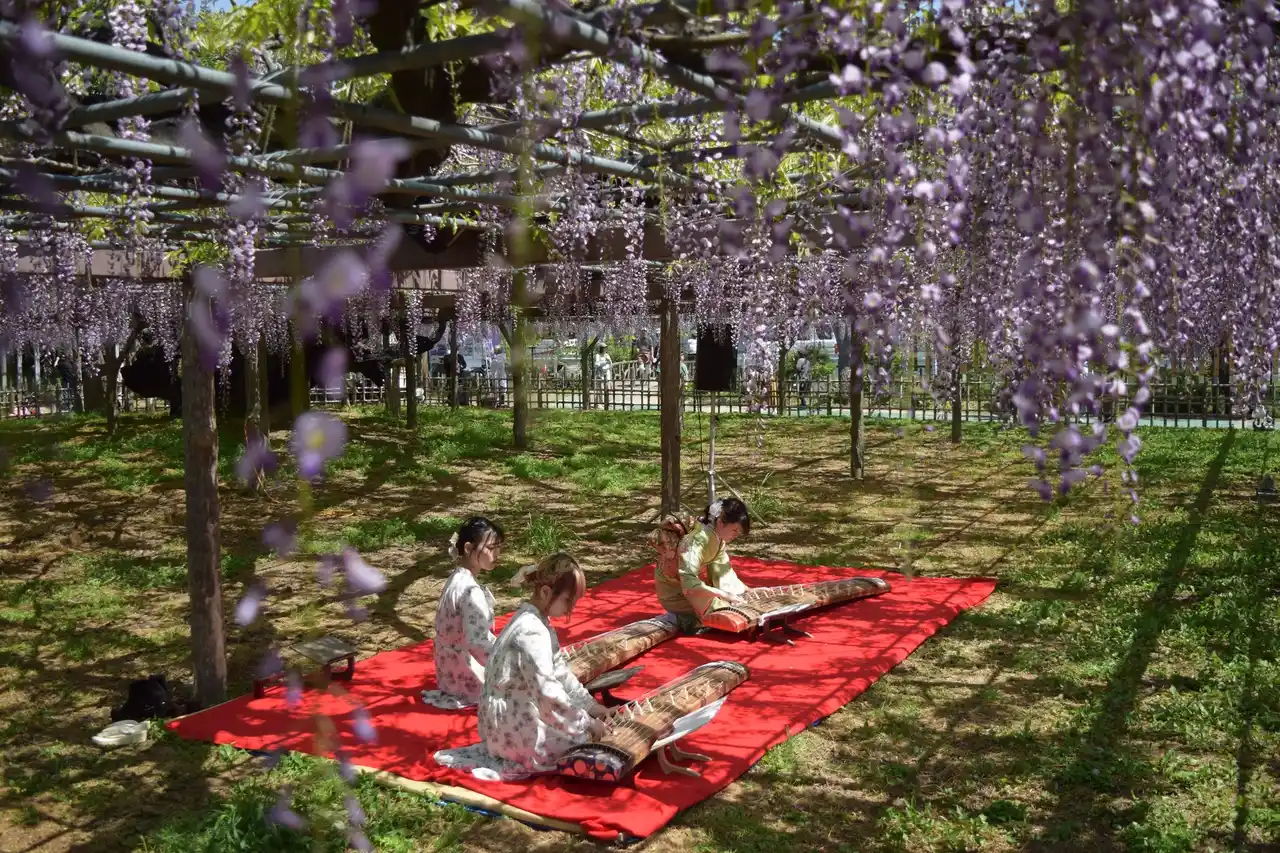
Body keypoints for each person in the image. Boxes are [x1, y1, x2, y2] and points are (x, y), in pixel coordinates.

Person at [433, 553, 610, 780]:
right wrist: (586, 723)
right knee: (583, 743)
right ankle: (519, 752)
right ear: (545, 592)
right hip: (511, 729)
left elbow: (559, 670)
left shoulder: (532, 619)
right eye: (568, 600)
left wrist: (591, 707)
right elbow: (547, 692)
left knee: (579, 732)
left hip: (506, 721)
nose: (571, 609)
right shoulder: (530, 631)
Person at [421, 517, 504, 709]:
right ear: (468, 548)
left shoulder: (457, 578)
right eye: (491, 548)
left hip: (449, 672)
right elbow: (477, 643)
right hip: (467, 675)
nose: (497, 554)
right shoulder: (470, 590)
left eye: (499, 547)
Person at [653, 498, 752, 633]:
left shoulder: (717, 538)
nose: (736, 535)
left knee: (737, 602)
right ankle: (681, 618)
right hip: (674, 591)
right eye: (735, 530)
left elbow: (723, 571)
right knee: (726, 612)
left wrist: (744, 590)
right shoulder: (696, 542)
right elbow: (688, 582)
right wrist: (724, 595)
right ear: (720, 521)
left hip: (688, 585)